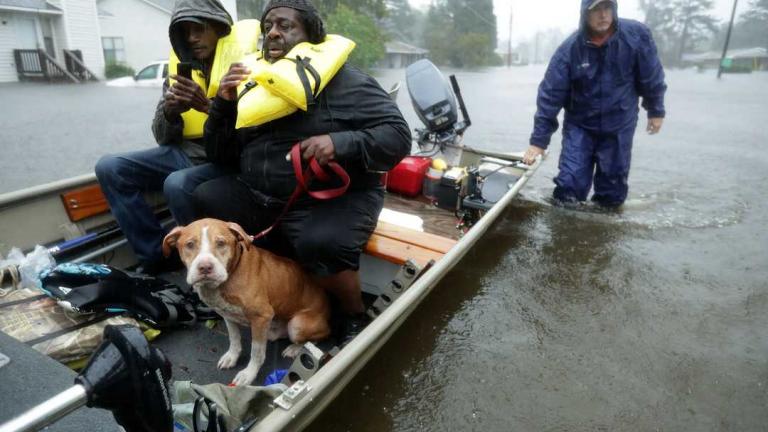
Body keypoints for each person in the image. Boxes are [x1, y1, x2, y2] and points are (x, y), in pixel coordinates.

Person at [193, 0, 411, 342]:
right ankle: (252, 292)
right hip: (264, 193)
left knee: (321, 242)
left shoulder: (346, 82)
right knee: (207, 196)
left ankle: (352, 313)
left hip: (332, 197)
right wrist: (221, 104)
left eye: (286, 26)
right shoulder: (254, 81)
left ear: (312, 35)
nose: (273, 34)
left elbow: (398, 135)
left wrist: (341, 142)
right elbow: (220, 155)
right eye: (268, 28)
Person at [95, 0, 236, 274]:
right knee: (110, 167)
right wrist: (171, 113)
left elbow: (252, 135)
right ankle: (156, 257)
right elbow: (161, 137)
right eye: (185, 32)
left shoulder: (243, 66)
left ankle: (207, 264)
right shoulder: (179, 72)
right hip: (184, 153)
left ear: (218, 27)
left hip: (226, 158)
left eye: (199, 29)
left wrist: (208, 106)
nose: (192, 38)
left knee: (176, 183)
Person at [523, 0, 667, 208]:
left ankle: (603, 232)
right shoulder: (569, 49)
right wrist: (538, 141)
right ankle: (567, 232)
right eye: (597, 9)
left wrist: (656, 110)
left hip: (620, 123)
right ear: (585, 13)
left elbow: (651, 75)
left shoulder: (637, 36)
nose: (603, 15)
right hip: (580, 125)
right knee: (568, 188)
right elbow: (550, 94)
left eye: (608, 8)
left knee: (612, 193)